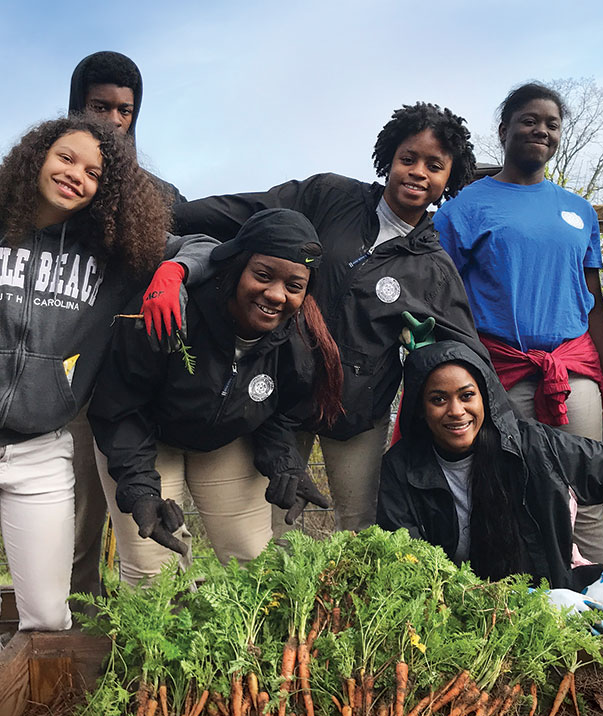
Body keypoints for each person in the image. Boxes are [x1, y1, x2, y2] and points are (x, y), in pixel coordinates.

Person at [0, 116, 216, 696]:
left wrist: (169, 273)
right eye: (66, 158)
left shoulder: (115, 256)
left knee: (49, 612)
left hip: (41, 447)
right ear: (36, 158)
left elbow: (209, 247)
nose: (75, 175)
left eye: (94, 172)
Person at [174, 102, 483, 532]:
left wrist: (512, 435)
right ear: (388, 158)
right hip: (275, 400)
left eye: (434, 166)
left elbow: (469, 352)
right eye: (408, 158)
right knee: (270, 530)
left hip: (358, 417)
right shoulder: (329, 196)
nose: (417, 172)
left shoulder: (432, 268)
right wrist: (169, 212)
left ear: (449, 179)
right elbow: (253, 213)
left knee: (364, 528)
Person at [90, 209, 344, 584]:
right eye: (263, 275)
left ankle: (243, 644)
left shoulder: (298, 344)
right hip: (145, 434)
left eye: (294, 286)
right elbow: (120, 406)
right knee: (151, 567)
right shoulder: (171, 311)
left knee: (252, 561)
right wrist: (140, 488)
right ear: (237, 266)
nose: (276, 295)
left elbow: (280, 413)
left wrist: (284, 461)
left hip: (226, 441)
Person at [433, 82, 603, 565]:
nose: (540, 129)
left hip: (574, 371)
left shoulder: (579, 211)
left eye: (552, 124)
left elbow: (593, 303)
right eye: (528, 120)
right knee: (510, 488)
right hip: (500, 372)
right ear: (504, 130)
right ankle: (522, 601)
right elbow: (442, 296)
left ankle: (598, 596)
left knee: (589, 490)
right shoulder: (464, 210)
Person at [376, 340, 603, 625]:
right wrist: (530, 604)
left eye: (467, 395)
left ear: (485, 397)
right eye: (438, 399)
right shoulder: (401, 469)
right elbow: (413, 575)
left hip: (559, 586)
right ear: (420, 409)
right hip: (458, 612)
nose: (456, 411)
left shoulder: (535, 445)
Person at [66, 50, 186, 595]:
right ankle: (71, 638)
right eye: (99, 107)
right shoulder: (55, 192)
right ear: (77, 106)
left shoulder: (159, 197)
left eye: (125, 110)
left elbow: (205, 247)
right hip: (67, 387)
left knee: (147, 522)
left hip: (136, 387)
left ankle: (138, 635)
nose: (113, 121)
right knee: (74, 525)